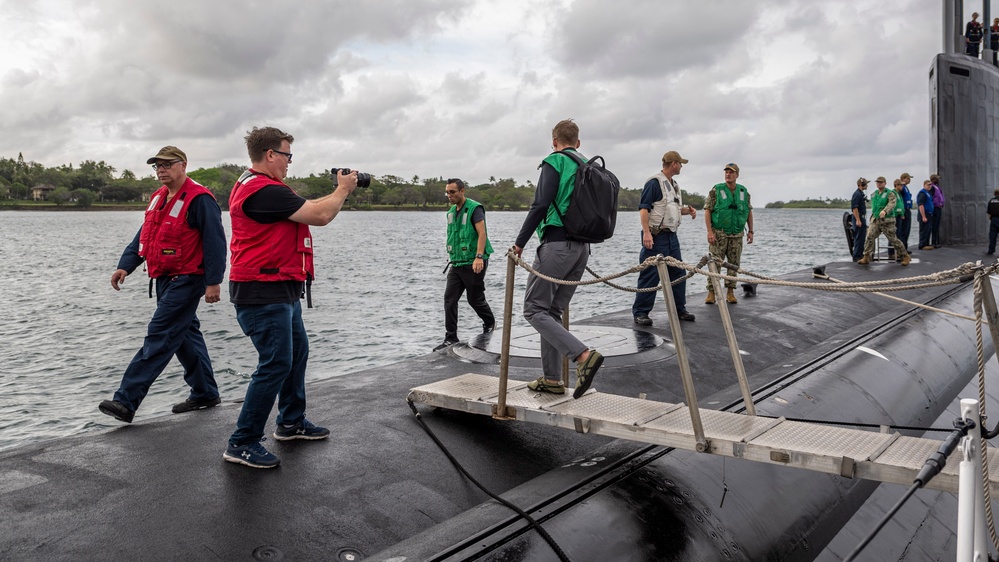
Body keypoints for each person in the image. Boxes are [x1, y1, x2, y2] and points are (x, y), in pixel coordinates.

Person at [223, 126, 358, 469]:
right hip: (262, 292)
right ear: (270, 155)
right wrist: (343, 190)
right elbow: (321, 215)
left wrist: (334, 192)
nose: (289, 163)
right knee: (275, 363)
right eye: (287, 155)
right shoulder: (262, 190)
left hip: (280, 289)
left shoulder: (261, 186)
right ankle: (242, 441)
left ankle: (290, 422)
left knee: (296, 353)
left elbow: (308, 207)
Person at [98, 146, 226, 424]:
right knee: (185, 337)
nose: (161, 170)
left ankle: (125, 400)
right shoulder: (158, 198)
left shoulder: (200, 199)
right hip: (164, 279)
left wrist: (214, 282)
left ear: (183, 166)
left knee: (160, 334)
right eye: (157, 166)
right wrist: (125, 265)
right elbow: (145, 236)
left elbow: (215, 242)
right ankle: (205, 392)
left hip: (188, 279)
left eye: (167, 165)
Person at [512, 119, 604, 399]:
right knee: (551, 313)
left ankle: (583, 355)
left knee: (533, 309)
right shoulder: (588, 164)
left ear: (554, 142)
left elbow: (540, 204)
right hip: (582, 249)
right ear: (578, 143)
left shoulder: (555, 161)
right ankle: (552, 379)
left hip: (557, 245)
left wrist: (519, 243)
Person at [631, 151, 697, 325]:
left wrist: (687, 211)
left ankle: (679, 309)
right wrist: (646, 232)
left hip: (671, 237)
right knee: (650, 274)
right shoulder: (654, 183)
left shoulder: (673, 185)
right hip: (656, 236)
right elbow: (644, 209)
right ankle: (641, 312)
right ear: (674, 164)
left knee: (678, 272)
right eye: (680, 163)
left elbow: (670, 208)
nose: (682, 166)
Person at [433, 178, 495, 351]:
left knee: (475, 299)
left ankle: (490, 323)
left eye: (452, 192)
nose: (449, 195)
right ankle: (450, 337)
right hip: (457, 262)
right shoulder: (451, 212)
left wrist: (479, 257)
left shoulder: (475, 208)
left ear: (462, 191)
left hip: (473, 261)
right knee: (449, 299)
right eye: (447, 192)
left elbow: (482, 233)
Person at [704, 163, 753, 304]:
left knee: (734, 264)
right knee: (714, 263)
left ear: (737, 175)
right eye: (726, 172)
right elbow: (707, 210)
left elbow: (749, 211)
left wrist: (751, 231)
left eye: (731, 172)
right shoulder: (717, 190)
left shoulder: (743, 192)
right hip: (719, 233)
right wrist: (709, 232)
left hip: (737, 234)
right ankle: (711, 293)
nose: (728, 174)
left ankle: (730, 292)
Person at [858, 177, 910, 266]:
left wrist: (885, 211)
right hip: (876, 220)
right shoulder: (874, 194)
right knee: (869, 236)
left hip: (887, 221)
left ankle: (905, 256)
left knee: (893, 239)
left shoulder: (890, 193)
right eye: (878, 182)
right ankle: (866, 256)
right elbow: (874, 206)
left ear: (885, 183)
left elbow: (892, 203)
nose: (879, 184)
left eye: (881, 182)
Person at [886, 178, 906, 261]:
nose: (902, 186)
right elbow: (892, 205)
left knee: (899, 234)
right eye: (901, 185)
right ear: (896, 185)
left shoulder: (899, 194)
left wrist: (902, 214)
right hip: (894, 216)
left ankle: (897, 252)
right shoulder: (893, 193)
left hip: (899, 216)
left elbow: (900, 205)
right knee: (893, 235)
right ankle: (891, 253)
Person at [850, 177, 869, 262]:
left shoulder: (861, 194)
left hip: (862, 217)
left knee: (862, 237)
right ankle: (857, 255)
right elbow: (855, 208)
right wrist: (858, 219)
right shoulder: (857, 194)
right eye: (865, 184)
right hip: (859, 217)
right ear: (862, 185)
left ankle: (860, 254)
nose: (867, 185)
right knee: (858, 237)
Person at [917, 179, 936, 250]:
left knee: (928, 230)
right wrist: (923, 216)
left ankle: (926, 244)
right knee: (924, 230)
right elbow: (921, 205)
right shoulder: (922, 193)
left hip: (929, 214)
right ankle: (922, 245)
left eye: (930, 185)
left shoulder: (928, 193)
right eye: (928, 185)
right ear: (924, 185)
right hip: (924, 214)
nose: (929, 186)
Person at [929, 173, 945, 247]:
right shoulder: (932, 187)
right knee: (934, 225)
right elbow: (931, 198)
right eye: (937, 179)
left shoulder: (937, 187)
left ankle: (935, 242)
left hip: (939, 207)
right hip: (935, 208)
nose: (939, 180)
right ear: (933, 179)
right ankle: (933, 242)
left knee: (937, 225)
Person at [988, 188, 999, 255]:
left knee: (993, 236)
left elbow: (989, 213)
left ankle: (991, 250)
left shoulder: (991, 201)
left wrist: (992, 219)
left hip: (994, 219)